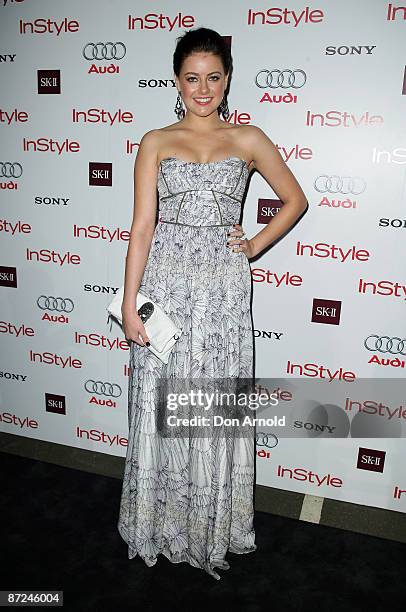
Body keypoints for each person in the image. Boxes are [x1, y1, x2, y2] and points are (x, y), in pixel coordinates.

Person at [117, 26, 307, 580]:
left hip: (223, 289)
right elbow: (142, 227)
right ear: (176, 81)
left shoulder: (248, 139)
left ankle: (210, 528)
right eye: (192, 78)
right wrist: (131, 304)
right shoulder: (155, 140)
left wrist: (253, 244)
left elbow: (294, 199)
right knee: (159, 404)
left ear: (227, 79)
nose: (203, 89)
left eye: (214, 78)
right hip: (168, 285)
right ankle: (160, 522)